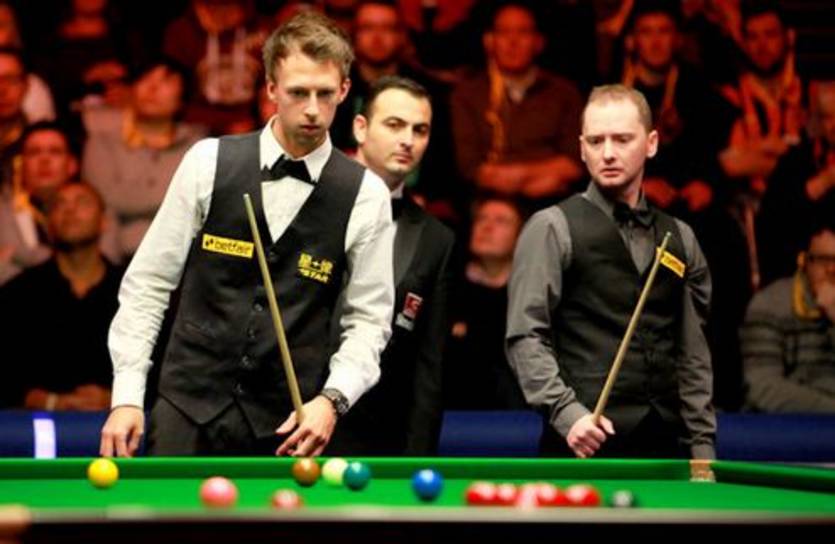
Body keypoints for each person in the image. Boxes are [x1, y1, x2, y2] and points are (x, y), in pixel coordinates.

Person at [99, 12, 395, 458]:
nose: (312, 109)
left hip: (287, 423)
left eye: (325, 93)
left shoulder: (366, 194)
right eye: (298, 92)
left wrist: (333, 399)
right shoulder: (207, 162)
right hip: (186, 409)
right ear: (271, 89)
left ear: (344, 90)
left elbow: (370, 321)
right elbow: (149, 283)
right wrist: (126, 396)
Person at [506, 84, 715, 459]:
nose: (607, 153)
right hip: (580, 443)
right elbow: (526, 336)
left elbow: (692, 356)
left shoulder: (680, 237)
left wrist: (701, 446)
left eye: (622, 139)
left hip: (664, 447)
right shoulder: (552, 227)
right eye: (596, 141)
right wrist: (567, 413)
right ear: (581, 148)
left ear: (651, 143)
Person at [328, 75, 454, 455]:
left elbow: (430, 367)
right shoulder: (311, 203)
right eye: (395, 125)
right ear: (360, 128)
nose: (408, 140)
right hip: (292, 424)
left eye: (420, 130)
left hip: (378, 440)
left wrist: (417, 458)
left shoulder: (436, 240)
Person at [0, 182, 121, 410]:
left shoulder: (131, 293)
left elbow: (163, 371)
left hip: (118, 425)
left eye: (82, 202)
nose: (70, 210)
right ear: (48, 224)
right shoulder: (18, 295)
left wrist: (115, 399)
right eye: (59, 205)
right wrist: (42, 401)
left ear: (104, 221)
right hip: (32, 426)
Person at [450, 1, 583, 209]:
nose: (513, 41)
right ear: (489, 41)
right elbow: (470, 168)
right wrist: (534, 180)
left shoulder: (564, 93)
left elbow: (575, 163)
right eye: (504, 32)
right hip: (488, 205)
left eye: (523, 32)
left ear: (538, 42)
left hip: (552, 202)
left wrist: (517, 176)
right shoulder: (467, 94)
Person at [82, 57, 206, 262]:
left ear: (182, 99)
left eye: (165, 81)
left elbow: (198, 203)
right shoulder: (102, 140)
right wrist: (175, 194)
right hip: (114, 258)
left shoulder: (198, 145)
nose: (152, 88)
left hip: (182, 258)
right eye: (145, 79)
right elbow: (104, 199)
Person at [741, 222, 835, 412]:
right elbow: (763, 387)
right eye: (823, 260)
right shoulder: (770, 304)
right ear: (804, 261)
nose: (832, 269)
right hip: (787, 424)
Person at [445, 196, 527, 410]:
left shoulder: (531, 294)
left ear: (521, 236)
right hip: (451, 409)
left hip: (515, 414)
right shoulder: (446, 285)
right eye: (481, 218)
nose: (487, 227)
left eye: (501, 221)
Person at [0, 121, 79, 285]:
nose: (44, 159)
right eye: (34, 152)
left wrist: (20, 256)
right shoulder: (3, 211)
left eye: (55, 151)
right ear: (20, 165)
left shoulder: (95, 209)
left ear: (72, 164)